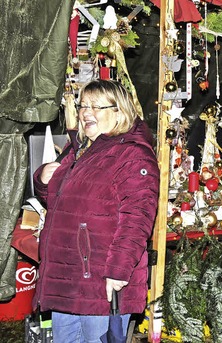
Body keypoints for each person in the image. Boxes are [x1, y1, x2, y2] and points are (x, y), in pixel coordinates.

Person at [32, 79, 160, 341]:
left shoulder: (132, 155)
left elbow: (137, 220)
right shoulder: (78, 148)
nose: (85, 112)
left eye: (95, 106)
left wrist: (118, 271)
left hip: (101, 281)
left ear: (119, 111)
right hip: (66, 278)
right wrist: (43, 178)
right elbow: (59, 202)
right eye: (83, 106)